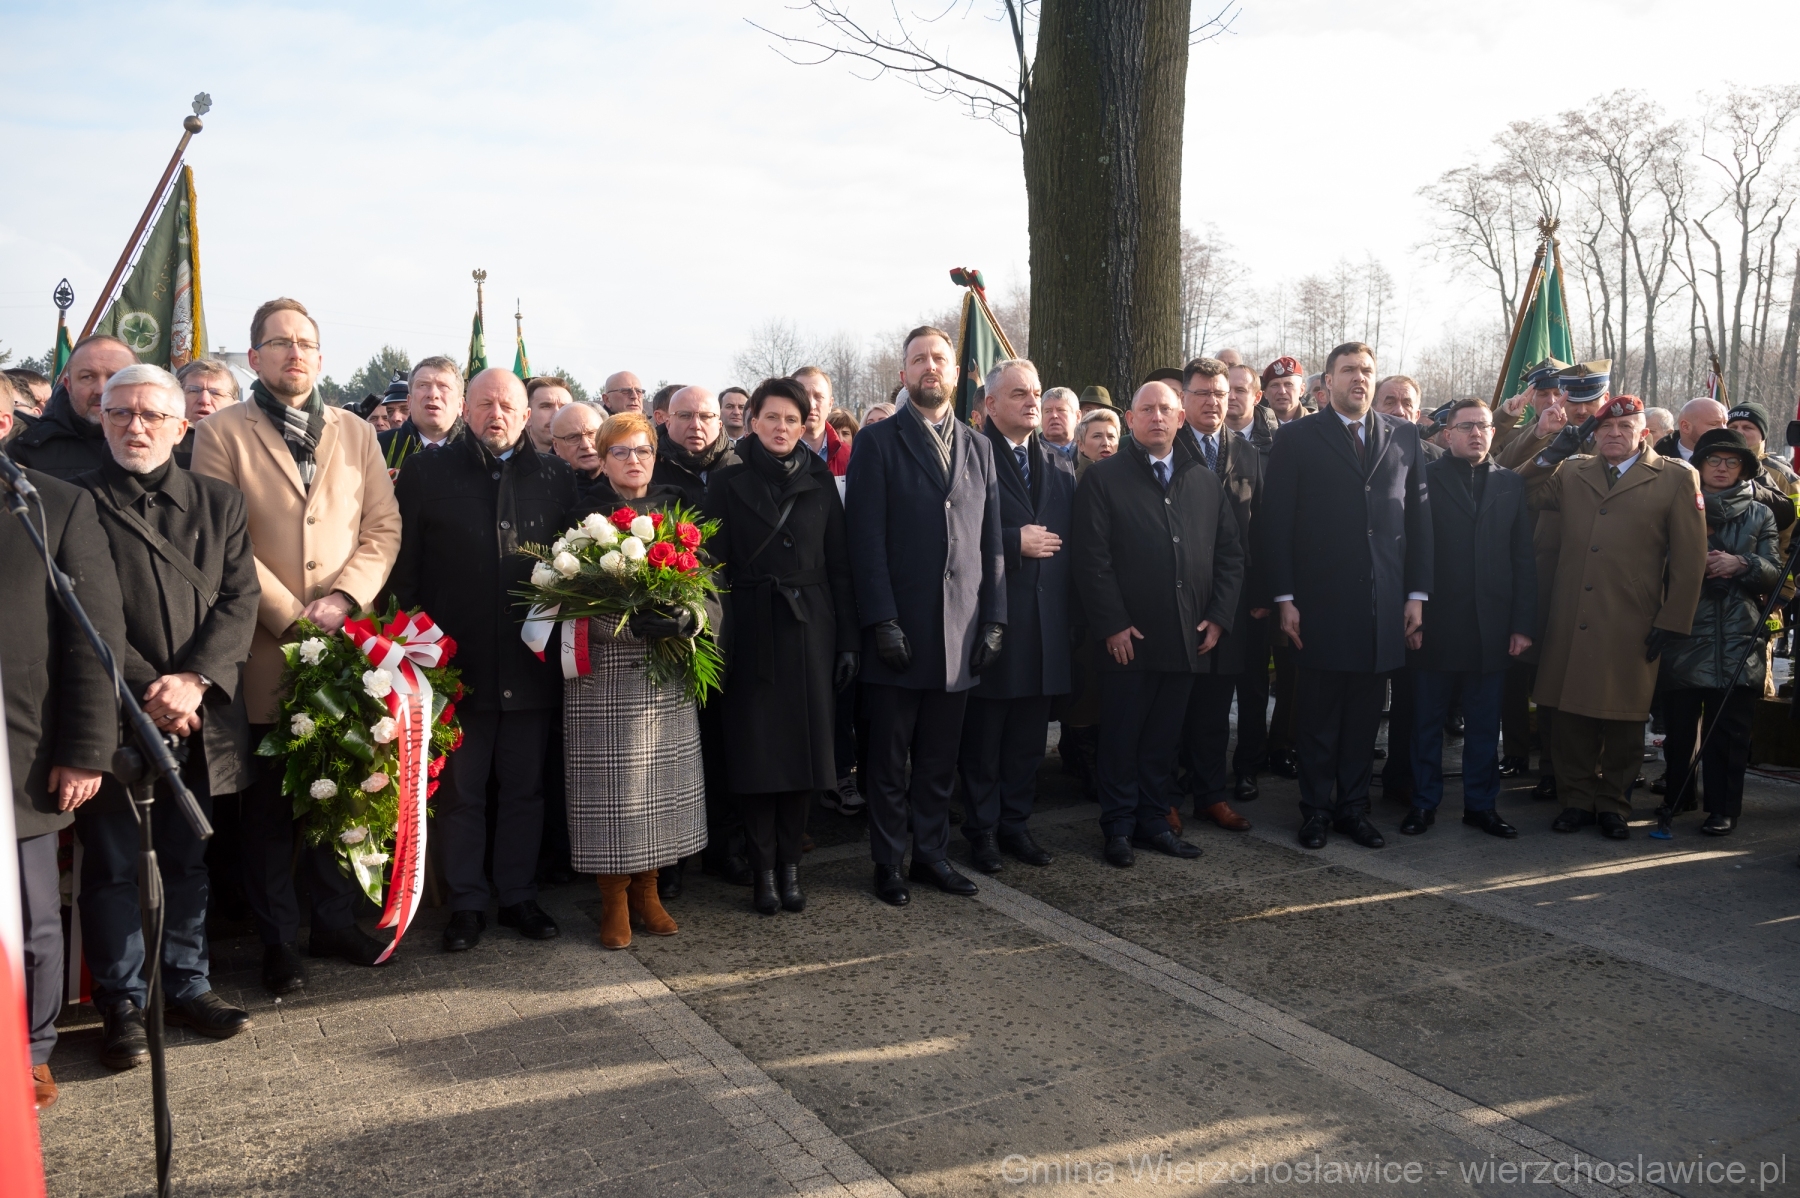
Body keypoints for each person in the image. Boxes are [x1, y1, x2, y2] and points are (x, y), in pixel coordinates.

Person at [189, 298, 403, 988]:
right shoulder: (221, 433)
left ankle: (333, 922)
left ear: (320, 355)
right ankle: (278, 940)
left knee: (336, 792)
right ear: (254, 357)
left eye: (306, 343)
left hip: (345, 647)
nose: (295, 353)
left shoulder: (355, 432)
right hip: (262, 648)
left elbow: (383, 528)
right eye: (280, 343)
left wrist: (344, 600)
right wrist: (292, 614)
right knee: (269, 811)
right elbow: (222, 541)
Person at [73, 363, 260, 1067]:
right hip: (113, 714)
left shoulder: (220, 503)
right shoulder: (72, 500)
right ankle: (121, 1002)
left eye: (152, 415)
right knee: (113, 866)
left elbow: (239, 600)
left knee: (186, 860)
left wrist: (195, 681)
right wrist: (152, 690)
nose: (135, 427)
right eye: (120, 413)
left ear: (182, 427)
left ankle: (187, 983)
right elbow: (78, 611)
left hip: (198, 717)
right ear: (101, 418)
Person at [390, 368, 574, 952]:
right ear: (465, 410)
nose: (497, 414)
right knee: (461, 793)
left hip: (529, 663)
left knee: (524, 790)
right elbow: (405, 570)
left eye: (508, 405)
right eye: (485, 404)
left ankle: (518, 894)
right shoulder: (426, 472)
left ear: (527, 415)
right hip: (454, 664)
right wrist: (415, 649)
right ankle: (466, 902)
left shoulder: (557, 476)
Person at [845, 325, 1005, 907]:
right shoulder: (877, 442)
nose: (930, 366)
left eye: (939, 358)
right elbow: (864, 540)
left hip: (961, 633)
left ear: (956, 372)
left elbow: (991, 542)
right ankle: (889, 861)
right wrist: (881, 620)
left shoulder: (979, 446)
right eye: (919, 359)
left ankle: (931, 855)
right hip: (900, 631)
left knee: (939, 759)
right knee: (889, 760)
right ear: (904, 372)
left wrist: (996, 620)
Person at [0, 393, 124, 1112]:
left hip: (19, 755)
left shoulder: (50, 505)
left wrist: (84, 749)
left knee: (32, 919)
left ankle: (32, 1051)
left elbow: (92, 639)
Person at [1261, 342, 1433, 851]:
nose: (1360, 378)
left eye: (1367, 371)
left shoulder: (1404, 435)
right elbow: (1276, 523)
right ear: (1328, 382)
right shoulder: (1296, 437)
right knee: (1317, 717)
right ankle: (1315, 810)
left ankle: (1353, 809)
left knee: (1363, 718)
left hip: (1383, 604)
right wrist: (1284, 597)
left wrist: (1416, 594)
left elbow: (1418, 520)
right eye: (1349, 370)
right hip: (1319, 603)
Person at [1072, 381, 1243, 867]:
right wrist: (1112, 624)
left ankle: (1153, 822)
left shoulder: (1203, 481)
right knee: (1121, 739)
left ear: (1180, 418)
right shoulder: (1103, 478)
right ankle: (1118, 827)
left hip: (1188, 637)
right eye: (1145, 410)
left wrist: (1219, 617)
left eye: (1165, 409)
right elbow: (1091, 559)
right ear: (1130, 420)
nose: (1156, 417)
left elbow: (1230, 555)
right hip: (1127, 640)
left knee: (1162, 741)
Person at [1520, 394, 1706, 839]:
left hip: (1633, 617)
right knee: (1569, 714)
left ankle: (1613, 804)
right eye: (1606, 428)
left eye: (1625, 428)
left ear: (1645, 434)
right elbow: (1522, 492)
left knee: (1624, 716)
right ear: (1595, 434)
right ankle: (1576, 800)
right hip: (1572, 613)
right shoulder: (1572, 471)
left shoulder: (1676, 477)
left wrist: (1672, 620)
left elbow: (1690, 558)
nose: (1614, 435)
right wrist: (1550, 453)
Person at [704, 378, 858, 913]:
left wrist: (848, 641)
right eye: (772, 417)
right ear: (752, 422)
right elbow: (711, 566)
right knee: (756, 758)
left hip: (810, 631)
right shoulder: (727, 481)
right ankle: (762, 872)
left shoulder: (819, 478)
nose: (782, 427)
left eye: (792, 419)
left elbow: (841, 566)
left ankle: (791, 868)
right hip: (749, 632)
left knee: (803, 758)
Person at [562, 411, 706, 948]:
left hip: (664, 670)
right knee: (612, 794)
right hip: (604, 677)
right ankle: (614, 899)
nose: (633, 460)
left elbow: (709, 585)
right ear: (602, 460)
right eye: (620, 452)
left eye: (642, 450)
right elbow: (563, 600)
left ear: (655, 456)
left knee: (659, 789)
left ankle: (649, 892)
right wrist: (620, 623)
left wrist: (688, 619)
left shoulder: (676, 511)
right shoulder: (581, 519)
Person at [957, 360, 1074, 873]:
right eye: (1019, 393)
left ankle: (1015, 825)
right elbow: (953, 535)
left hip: (1046, 626)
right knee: (985, 741)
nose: (1032, 402)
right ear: (989, 404)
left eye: (1036, 393)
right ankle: (981, 831)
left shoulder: (1059, 463)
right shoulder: (969, 455)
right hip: (992, 621)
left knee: (1028, 741)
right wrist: (1011, 542)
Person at [1401, 398, 1535, 839]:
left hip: (1490, 628)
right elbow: (1410, 549)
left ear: (1493, 433)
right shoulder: (1424, 478)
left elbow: (1522, 558)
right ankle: (1423, 802)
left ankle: (1481, 805)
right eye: (1466, 426)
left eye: (1483, 426)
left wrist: (1521, 624)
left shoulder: (1510, 483)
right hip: (1435, 624)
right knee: (1427, 723)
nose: (1476, 433)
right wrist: (1413, 608)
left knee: (1484, 726)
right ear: (1448, 433)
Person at [1656, 429, 1780, 837]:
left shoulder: (1761, 514)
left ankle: (1723, 809)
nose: (1722, 468)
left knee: (1729, 732)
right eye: (1714, 460)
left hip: (1738, 636)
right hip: (1684, 630)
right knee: (1679, 729)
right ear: (1699, 465)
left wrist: (1742, 564)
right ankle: (1677, 795)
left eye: (1732, 462)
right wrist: (1692, 565)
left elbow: (1775, 572)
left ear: (1743, 468)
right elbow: (1651, 562)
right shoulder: (1676, 506)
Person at [650, 384, 743, 894]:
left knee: (727, 746)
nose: (696, 425)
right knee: (673, 750)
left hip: (734, 626)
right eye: (685, 416)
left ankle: (725, 849)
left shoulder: (739, 468)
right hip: (673, 633)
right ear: (666, 420)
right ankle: (671, 859)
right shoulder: (652, 471)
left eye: (706, 416)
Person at [1176, 358, 1263, 826]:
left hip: (1231, 599)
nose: (1214, 402)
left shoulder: (1246, 452)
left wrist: (1259, 595)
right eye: (1203, 393)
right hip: (1179, 595)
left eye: (1221, 394)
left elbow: (1260, 528)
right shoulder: (1168, 446)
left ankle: (1210, 794)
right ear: (1184, 398)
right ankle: (1167, 796)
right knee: (1174, 706)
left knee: (1215, 707)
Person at [1370, 374, 1442, 803]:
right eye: (1389, 401)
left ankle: (1401, 777)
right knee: (1364, 696)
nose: (1399, 409)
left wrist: (1420, 596)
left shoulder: (1437, 461)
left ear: (1419, 411)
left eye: (1407, 403)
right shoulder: (1360, 453)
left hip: (1418, 598)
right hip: (1369, 597)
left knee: (1412, 699)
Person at [11, 335, 137, 479]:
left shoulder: (158, 446)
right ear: (68, 385)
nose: (101, 389)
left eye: (115, 377)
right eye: (87, 377)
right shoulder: (25, 450)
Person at [380, 355, 464, 464]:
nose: (433, 394)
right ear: (409, 401)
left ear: (460, 405)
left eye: (443, 386)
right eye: (423, 385)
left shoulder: (480, 451)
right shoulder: (377, 447)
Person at [174, 358, 239, 467]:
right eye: (194, 390)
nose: (204, 400)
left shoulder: (245, 446)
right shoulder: (161, 444)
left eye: (216, 393)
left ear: (234, 404)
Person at [793, 366, 853, 476]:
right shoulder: (774, 457)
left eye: (819, 397)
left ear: (830, 404)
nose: (811, 405)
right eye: (803, 396)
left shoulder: (851, 457)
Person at [1224, 362, 1278, 452]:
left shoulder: (1277, 440)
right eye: (1226, 390)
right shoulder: (1203, 436)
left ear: (1257, 397)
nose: (1231, 396)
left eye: (1240, 390)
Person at [551, 400, 605, 489]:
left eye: (592, 434)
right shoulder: (543, 487)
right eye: (573, 437)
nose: (586, 445)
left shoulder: (624, 482)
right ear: (556, 446)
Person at [1655, 397, 1727, 462]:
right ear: (1685, 427)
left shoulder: (1732, 462)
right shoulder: (1656, 462)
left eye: (1725, 423)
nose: (1724, 430)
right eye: (1713, 424)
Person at [525, 375, 574, 454]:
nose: (557, 414)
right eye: (546, 406)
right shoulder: (506, 458)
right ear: (527, 416)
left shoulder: (588, 457)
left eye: (564, 408)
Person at [1259, 357, 1308, 427]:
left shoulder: (1317, 426)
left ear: (1302, 390)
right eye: (1275, 385)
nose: (1282, 391)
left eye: (1288, 384)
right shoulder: (1254, 427)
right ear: (1265, 393)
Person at [1074, 407, 1120, 479]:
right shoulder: (1071, 482)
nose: (1106, 443)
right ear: (1081, 445)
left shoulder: (1130, 477)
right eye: (1097, 436)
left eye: (1111, 436)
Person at [1040, 387, 1080, 461]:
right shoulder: (1029, 452)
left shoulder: (1090, 451)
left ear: (1078, 416)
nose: (1054, 415)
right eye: (1048, 411)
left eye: (1061, 410)